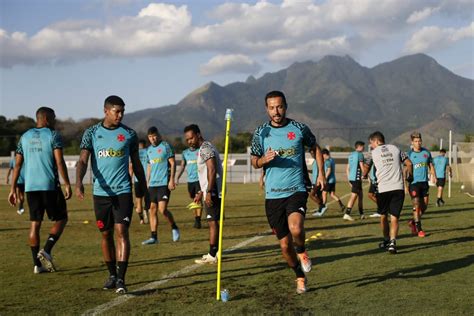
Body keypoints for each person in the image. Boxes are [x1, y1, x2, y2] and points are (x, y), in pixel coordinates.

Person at [250, 90, 325, 294]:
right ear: (267, 109)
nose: (276, 111)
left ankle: (302, 251)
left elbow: (315, 148)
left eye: (280, 106)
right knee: (284, 246)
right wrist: (263, 160)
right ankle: (299, 277)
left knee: (297, 229)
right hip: (273, 195)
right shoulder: (260, 133)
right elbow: (254, 161)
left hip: (296, 189)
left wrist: (321, 175)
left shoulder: (299, 128)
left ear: (286, 106)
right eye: (272, 107)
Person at [75, 95, 147, 294]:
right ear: (106, 111)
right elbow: (82, 161)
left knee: (121, 232)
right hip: (100, 194)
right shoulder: (91, 133)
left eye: (123, 111)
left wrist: (145, 188)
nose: (120, 115)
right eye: (117, 111)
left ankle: (122, 279)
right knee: (105, 234)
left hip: (123, 191)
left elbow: (137, 164)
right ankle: (112, 275)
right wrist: (79, 182)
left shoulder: (130, 134)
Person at [8, 107, 71, 274]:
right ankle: (47, 249)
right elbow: (59, 161)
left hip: (30, 187)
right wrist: (67, 184)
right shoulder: (53, 135)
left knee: (35, 224)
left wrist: (12, 188)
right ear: (47, 118)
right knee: (62, 219)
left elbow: (18, 165)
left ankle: (37, 265)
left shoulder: (25, 137)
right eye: (54, 117)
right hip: (49, 185)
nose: (56, 121)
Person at [365, 131, 412, 254]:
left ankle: (386, 239)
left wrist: (365, 175)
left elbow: (366, 169)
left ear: (376, 141)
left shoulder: (373, 153)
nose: (371, 146)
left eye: (371, 144)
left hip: (383, 188)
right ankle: (392, 242)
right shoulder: (396, 148)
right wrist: (409, 176)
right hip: (398, 187)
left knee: (383, 215)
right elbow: (409, 163)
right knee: (395, 217)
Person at [183, 124, 223, 264]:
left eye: (191, 138)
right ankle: (214, 252)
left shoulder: (205, 148)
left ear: (198, 135)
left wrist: (209, 192)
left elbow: (211, 170)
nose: (189, 141)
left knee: (212, 223)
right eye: (187, 139)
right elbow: (205, 173)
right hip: (209, 190)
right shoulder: (203, 148)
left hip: (214, 192)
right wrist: (201, 191)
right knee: (212, 222)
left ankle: (212, 254)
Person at [142, 126, 180, 244]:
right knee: (152, 210)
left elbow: (173, 163)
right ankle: (154, 237)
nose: (152, 139)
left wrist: (172, 179)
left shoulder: (165, 146)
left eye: (154, 136)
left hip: (164, 183)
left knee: (162, 209)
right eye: (150, 137)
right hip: (152, 184)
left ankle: (174, 227)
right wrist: (147, 182)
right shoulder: (148, 150)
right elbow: (149, 166)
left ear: (158, 135)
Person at [406, 132, 436, 238]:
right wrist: (405, 184)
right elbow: (405, 169)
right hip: (413, 183)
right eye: (416, 141)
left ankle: (413, 222)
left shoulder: (426, 152)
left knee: (424, 206)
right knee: (416, 205)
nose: (418, 143)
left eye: (419, 141)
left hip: (424, 183)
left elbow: (430, 165)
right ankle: (419, 229)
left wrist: (434, 175)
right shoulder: (409, 154)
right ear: (412, 142)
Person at [176, 143, 203, 229]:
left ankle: (198, 220)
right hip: (190, 181)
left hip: (199, 180)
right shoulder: (185, 153)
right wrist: (177, 177)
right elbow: (182, 166)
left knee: (198, 200)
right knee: (193, 200)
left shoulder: (201, 151)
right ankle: (196, 218)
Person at [343, 141, 366, 221]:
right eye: (363, 146)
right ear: (359, 146)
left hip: (352, 179)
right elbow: (362, 167)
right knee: (354, 196)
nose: (364, 148)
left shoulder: (351, 155)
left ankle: (362, 214)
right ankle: (347, 214)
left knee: (360, 196)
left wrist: (349, 179)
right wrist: (366, 174)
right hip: (357, 178)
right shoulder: (360, 154)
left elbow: (347, 168)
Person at [318, 149, 345, 216]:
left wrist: (325, 178)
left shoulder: (327, 161)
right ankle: (341, 205)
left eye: (322, 155)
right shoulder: (332, 160)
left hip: (329, 181)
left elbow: (329, 171)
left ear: (324, 154)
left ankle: (323, 207)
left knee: (324, 193)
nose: (322, 156)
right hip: (333, 180)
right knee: (332, 194)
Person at [129, 139, 150, 224]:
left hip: (137, 180)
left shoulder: (134, 153)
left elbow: (131, 167)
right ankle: (146, 209)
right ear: (145, 145)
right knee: (148, 199)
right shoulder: (148, 152)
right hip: (146, 180)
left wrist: (130, 179)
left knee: (138, 200)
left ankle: (141, 219)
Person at [308, 148, 323, 216]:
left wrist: (319, 180)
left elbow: (320, 171)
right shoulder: (314, 161)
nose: (312, 155)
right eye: (311, 153)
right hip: (314, 182)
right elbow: (314, 171)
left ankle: (323, 206)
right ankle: (320, 210)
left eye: (313, 153)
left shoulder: (318, 161)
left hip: (317, 182)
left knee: (311, 195)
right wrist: (308, 171)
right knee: (318, 196)